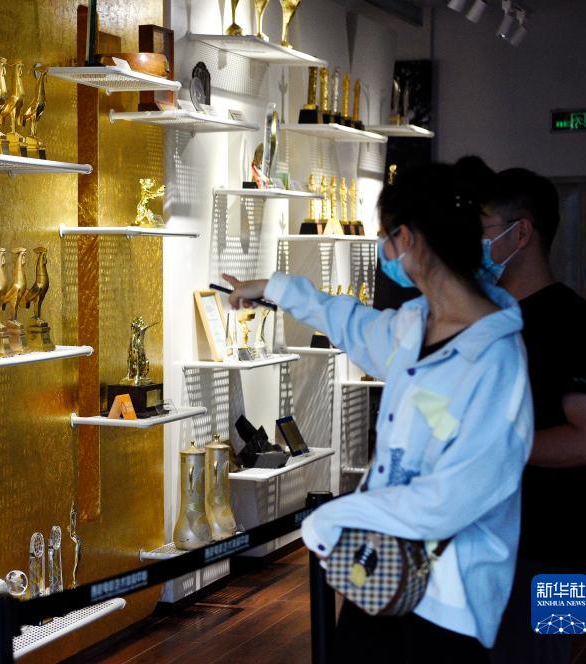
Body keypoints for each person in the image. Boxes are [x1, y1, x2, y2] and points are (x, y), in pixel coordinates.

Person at [223, 161, 533, 662]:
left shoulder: (496, 359)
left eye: (386, 238)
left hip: (448, 602)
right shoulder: (416, 323)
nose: (385, 253)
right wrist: (274, 288)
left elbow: (453, 497)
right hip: (381, 574)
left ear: (406, 239)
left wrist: (339, 515)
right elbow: (351, 323)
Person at [484, 168, 586, 664]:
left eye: (482, 228)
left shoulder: (574, 322)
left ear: (521, 233)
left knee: (550, 653)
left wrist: (493, 445)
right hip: (493, 542)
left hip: (558, 550)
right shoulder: (489, 318)